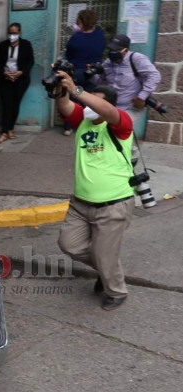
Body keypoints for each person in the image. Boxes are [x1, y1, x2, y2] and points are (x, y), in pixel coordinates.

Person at [55, 70, 135, 311]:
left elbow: (108, 111)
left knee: (103, 253)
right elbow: (65, 105)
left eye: (94, 99)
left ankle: (116, 290)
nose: (87, 104)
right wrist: (60, 90)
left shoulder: (121, 124)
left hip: (113, 204)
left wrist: (79, 90)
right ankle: (106, 268)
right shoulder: (83, 121)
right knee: (69, 244)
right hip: (80, 204)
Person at [94, 34, 161, 139]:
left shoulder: (136, 59)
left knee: (120, 133)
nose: (112, 53)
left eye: (116, 50)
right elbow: (99, 81)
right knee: (106, 133)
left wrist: (141, 96)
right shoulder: (108, 63)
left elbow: (154, 76)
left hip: (131, 107)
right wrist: (92, 74)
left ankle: (132, 154)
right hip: (113, 107)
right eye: (111, 49)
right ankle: (127, 153)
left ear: (125, 50)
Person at [63, 8, 106, 136]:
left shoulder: (76, 37)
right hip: (93, 73)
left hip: (77, 73)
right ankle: (89, 125)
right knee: (89, 99)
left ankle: (68, 127)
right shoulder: (99, 34)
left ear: (81, 21)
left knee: (73, 97)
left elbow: (69, 53)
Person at [0, 22, 34, 144]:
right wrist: (4, 73)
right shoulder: (3, 45)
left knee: (15, 104)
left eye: (15, 33)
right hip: (6, 79)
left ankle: (10, 129)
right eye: (10, 33)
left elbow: (30, 61)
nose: (12, 36)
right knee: (7, 105)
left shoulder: (26, 45)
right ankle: (4, 132)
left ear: (19, 33)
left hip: (20, 79)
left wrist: (20, 72)